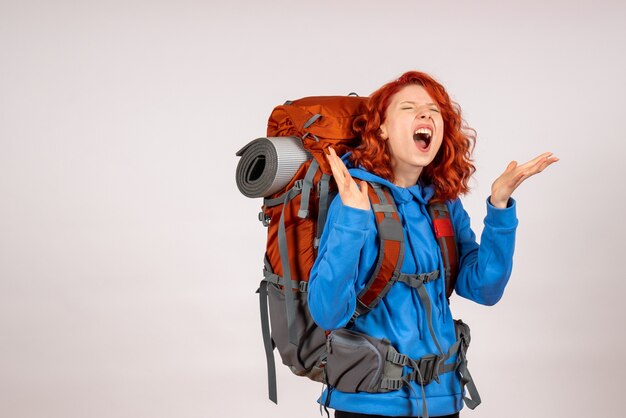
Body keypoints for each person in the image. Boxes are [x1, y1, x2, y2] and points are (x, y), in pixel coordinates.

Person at [307, 71, 558, 418]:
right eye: (409, 108)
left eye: (433, 110)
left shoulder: (442, 202)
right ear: (381, 128)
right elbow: (327, 312)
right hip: (371, 404)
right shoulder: (355, 198)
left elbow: (484, 288)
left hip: (443, 399)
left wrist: (499, 207)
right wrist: (351, 217)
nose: (425, 115)